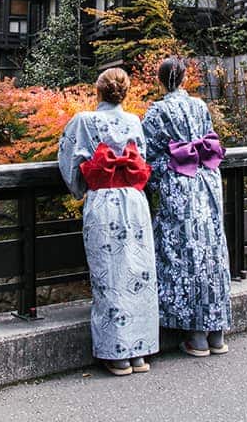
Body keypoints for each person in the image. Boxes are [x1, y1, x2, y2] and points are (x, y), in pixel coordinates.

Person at [57, 67, 159, 376]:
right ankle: (139, 352)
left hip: (104, 200)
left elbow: (70, 160)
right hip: (134, 201)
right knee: (138, 272)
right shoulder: (133, 121)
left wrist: (78, 188)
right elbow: (142, 156)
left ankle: (117, 353)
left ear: (98, 91)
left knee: (109, 276)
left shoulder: (84, 121)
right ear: (125, 93)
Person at [142, 56, 232, 357]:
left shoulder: (157, 112)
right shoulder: (199, 106)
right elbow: (210, 140)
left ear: (160, 79)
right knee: (212, 249)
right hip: (207, 179)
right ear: (183, 78)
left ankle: (196, 334)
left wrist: (156, 178)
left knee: (184, 251)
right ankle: (217, 333)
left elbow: (148, 155)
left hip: (178, 182)